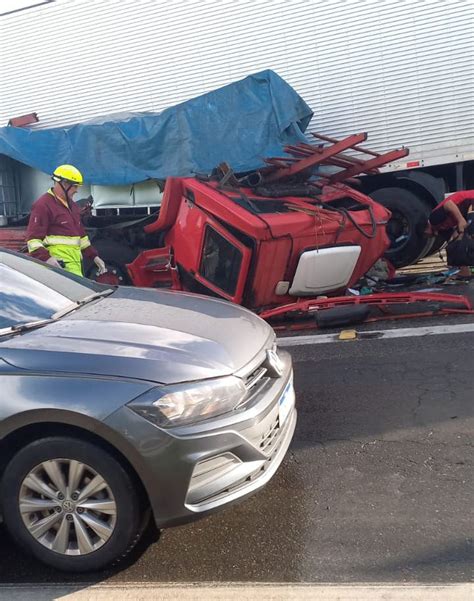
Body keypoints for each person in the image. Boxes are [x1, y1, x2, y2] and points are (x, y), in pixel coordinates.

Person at [26, 164, 107, 277]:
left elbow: (81, 237)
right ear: (64, 184)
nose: (76, 191)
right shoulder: (43, 205)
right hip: (57, 269)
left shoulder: (73, 206)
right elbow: (33, 241)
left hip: (74, 265)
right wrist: (47, 259)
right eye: (75, 186)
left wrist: (94, 256)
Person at [426, 190, 474, 277]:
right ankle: (464, 271)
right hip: (466, 208)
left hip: (469, 200)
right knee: (457, 241)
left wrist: (460, 220)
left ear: (425, 228)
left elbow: (449, 204)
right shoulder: (440, 229)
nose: (427, 236)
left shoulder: (433, 218)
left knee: (471, 233)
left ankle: (464, 270)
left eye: (425, 234)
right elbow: (453, 240)